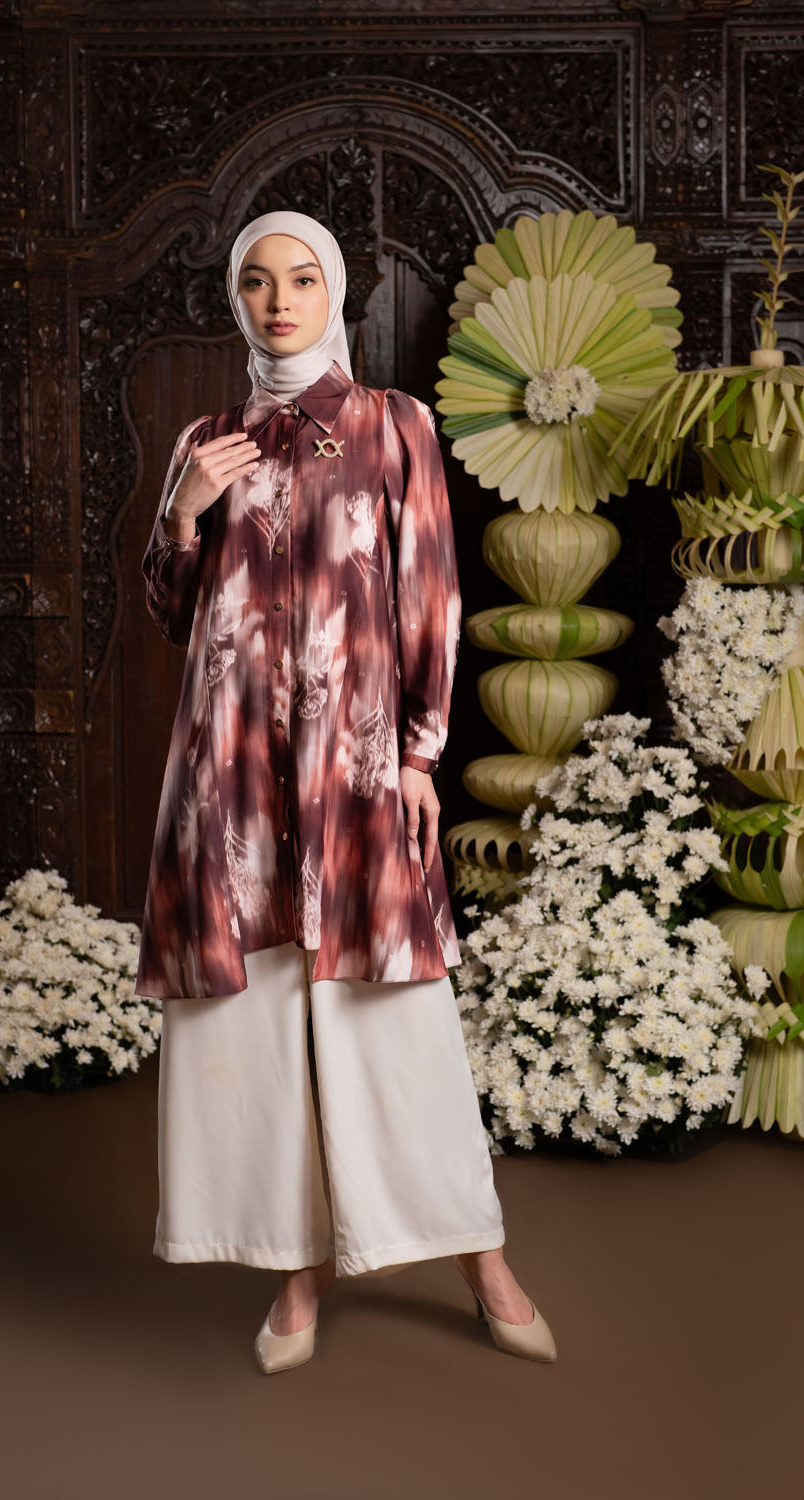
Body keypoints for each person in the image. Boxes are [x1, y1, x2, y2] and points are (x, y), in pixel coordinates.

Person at [135, 210, 556, 1374]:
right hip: (228, 780)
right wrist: (182, 511)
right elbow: (174, 611)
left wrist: (420, 756)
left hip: (357, 769)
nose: (279, 301)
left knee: (396, 1023)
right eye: (256, 282)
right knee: (260, 1028)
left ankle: (480, 1258)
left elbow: (431, 596)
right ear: (235, 300)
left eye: (302, 278)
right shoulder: (206, 439)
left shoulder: (391, 425)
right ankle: (294, 1272)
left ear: (334, 295)